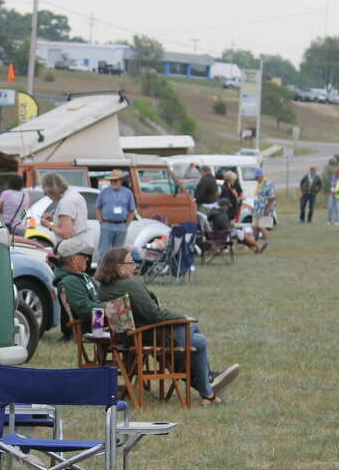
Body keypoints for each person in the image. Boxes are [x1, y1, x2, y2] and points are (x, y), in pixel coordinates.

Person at [94, 247, 240, 406]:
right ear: (120, 267)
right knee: (193, 328)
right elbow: (154, 314)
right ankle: (208, 379)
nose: (134, 266)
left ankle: (208, 393)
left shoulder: (104, 289)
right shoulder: (130, 285)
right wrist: (182, 318)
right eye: (131, 262)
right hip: (149, 335)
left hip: (128, 338)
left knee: (199, 340)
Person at [51, 235, 100, 322]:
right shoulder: (69, 281)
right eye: (84, 255)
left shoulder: (84, 276)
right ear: (74, 258)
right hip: (92, 329)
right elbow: (85, 310)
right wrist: (109, 308)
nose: (87, 259)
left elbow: (101, 296)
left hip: (102, 322)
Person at [39, 172, 89, 248]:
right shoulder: (74, 195)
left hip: (72, 249)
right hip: (81, 244)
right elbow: (73, 221)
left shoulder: (66, 202)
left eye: (47, 194)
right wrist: (54, 218)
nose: (49, 197)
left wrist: (49, 225)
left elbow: (66, 234)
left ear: (51, 191)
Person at [94, 169, 137, 258]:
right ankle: (102, 271)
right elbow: (97, 208)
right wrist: (101, 222)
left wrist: (126, 225)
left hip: (121, 225)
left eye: (115, 180)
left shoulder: (128, 193)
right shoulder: (104, 192)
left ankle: (115, 271)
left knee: (118, 252)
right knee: (104, 251)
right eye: (111, 180)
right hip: (107, 224)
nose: (113, 182)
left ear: (120, 180)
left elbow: (132, 210)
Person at [251, 169, 276, 250]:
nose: (256, 179)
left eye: (257, 177)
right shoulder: (259, 183)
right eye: (255, 178)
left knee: (262, 226)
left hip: (264, 208)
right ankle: (253, 243)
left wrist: (268, 208)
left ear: (261, 176)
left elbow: (272, 197)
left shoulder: (268, 183)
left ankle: (265, 243)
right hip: (257, 209)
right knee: (255, 226)